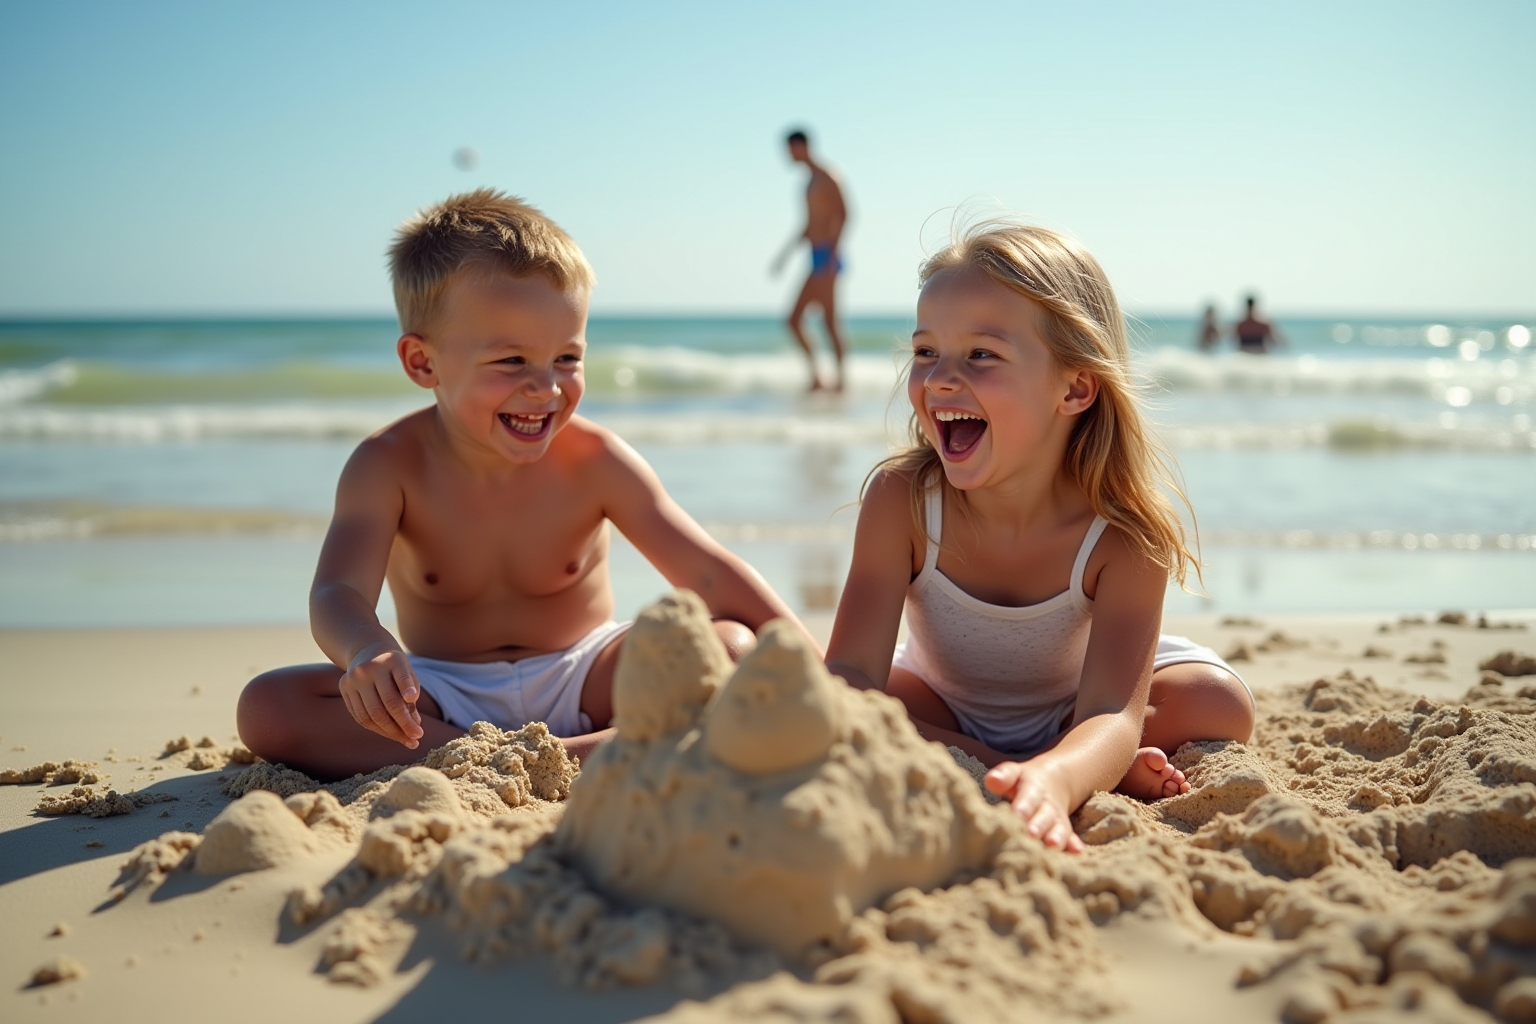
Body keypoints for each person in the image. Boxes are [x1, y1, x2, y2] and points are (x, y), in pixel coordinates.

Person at [238, 189, 806, 780]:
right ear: (422, 364)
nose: (547, 388)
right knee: (270, 709)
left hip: (587, 673)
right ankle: (556, 753)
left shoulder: (596, 460)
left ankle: (562, 755)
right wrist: (366, 650)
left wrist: (822, 669)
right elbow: (338, 592)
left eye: (567, 358)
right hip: (437, 695)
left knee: (730, 647)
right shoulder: (388, 465)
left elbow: (710, 574)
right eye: (511, 362)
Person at [825, 222, 1254, 852]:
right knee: (848, 698)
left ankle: (1069, 761)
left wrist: (1055, 778)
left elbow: (1113, 713)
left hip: (1078, 700)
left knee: (1217, 702)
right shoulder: (903, 502)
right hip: (942, 700)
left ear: (1075, 387)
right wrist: (1014, 762)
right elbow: (851, 673)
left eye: (981, 355)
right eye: (924, 352)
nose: (940, 378)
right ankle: (1063, 765)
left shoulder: (1124, 534)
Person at [772, 128, 849, 392]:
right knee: (799, 320)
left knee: (826, 321)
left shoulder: (828, 176)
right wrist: (784, 255)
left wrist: (833, 255)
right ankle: (820, 378)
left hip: (828, 256)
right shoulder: (807, 182)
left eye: (790, 149)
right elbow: (808, 224)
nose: (788, 156)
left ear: (802, 146)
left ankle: (838, 382)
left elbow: (845, 214)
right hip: (815, 256)